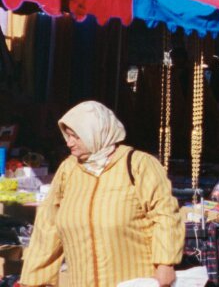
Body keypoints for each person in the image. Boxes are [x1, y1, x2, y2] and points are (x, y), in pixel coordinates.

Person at [21, 101, 184, 287]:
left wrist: (165, 263)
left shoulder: (139, 164)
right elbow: (47, 226)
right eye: (67, 136)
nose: (69, 142)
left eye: (76, 136)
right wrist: (34, 280)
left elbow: (165, 214)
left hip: (134, 280)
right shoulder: (68, 169)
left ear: (95, 132)